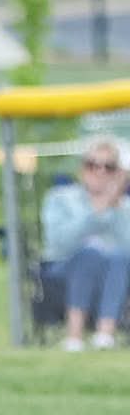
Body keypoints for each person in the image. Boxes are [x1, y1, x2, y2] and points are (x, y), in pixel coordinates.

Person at [41, 135, 130, 351]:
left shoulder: (124, 206)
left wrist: (113, 205)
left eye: (108, 167)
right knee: (90, 254)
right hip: (62, 271)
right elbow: (59, 244)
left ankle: (105, 335)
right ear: (82, 169)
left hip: (114, 276)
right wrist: (95, 213)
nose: (100, 171)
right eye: (93, 165)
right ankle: (74, 335)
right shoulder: (61, 198)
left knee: (117, 256)